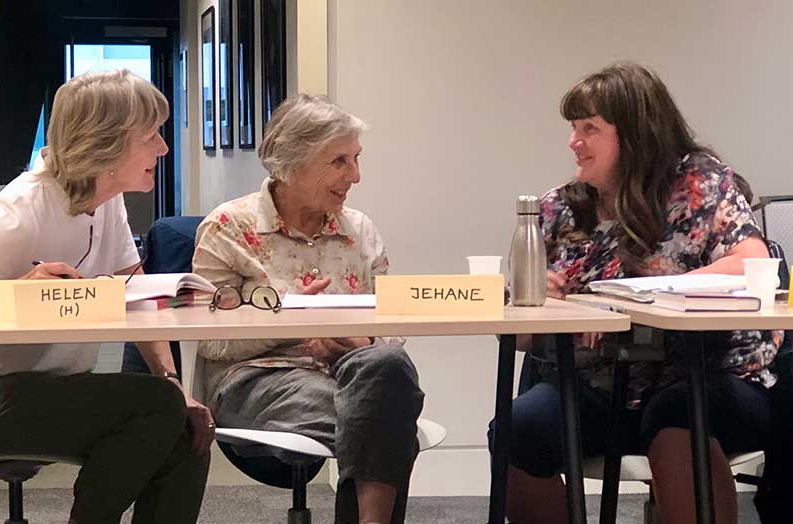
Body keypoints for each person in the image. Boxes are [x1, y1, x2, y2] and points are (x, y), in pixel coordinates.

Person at [0, 69, 212, 524]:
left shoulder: (107, 199)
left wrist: (174, 383)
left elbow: (136, 292)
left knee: (185, 423)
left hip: (52, 389)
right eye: (151, 136)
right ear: (107, 145)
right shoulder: (21, 210)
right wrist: (13, 294)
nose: (163, 148)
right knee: (154, 407)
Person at [488, 62, 778, 524]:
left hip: (706, 380)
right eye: (572, 128)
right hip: (598, 385)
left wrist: (639, 293)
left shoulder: (699, 184)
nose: (573, 142)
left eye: (590, 128)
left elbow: (751, 262)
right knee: (515, 428)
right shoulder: (558, 208)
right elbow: (519, 338)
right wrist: (532, 302)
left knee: (674, 416)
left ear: (637, 135)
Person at [192, 93, 425, 524]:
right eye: (339, 161)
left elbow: (393, 324)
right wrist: (292, 321)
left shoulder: (360, 230)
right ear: (291, 161)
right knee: (389, 422)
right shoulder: (230, 227)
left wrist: (364, 341)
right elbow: (208, 337)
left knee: (386, 366)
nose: (355, 175)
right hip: (256, 379)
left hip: (352, 373)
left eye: (356, 158)